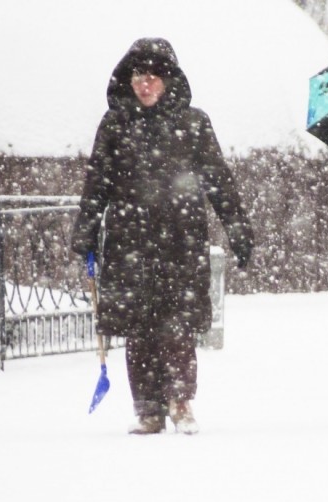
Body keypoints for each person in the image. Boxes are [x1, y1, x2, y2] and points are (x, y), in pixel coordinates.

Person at [72, 38, 254, 435]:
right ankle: (148, 409)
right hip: (128, 239)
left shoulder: (193, 122)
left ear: (169, 81)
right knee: (138, 329)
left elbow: (218, 179)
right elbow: (96, 184)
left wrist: (237, 227)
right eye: (139, 75)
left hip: (179, 239)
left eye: (154, 76)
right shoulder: (116, 123)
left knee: (175, 324)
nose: (146, 84)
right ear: (128, 78)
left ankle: (180, 400)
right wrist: (85, 232)